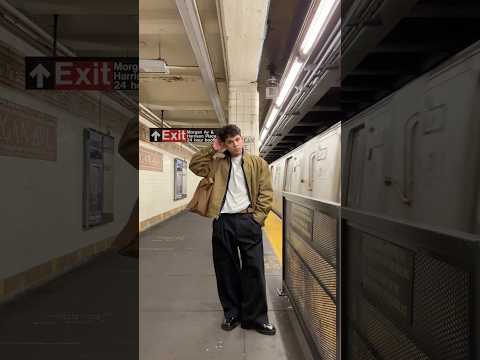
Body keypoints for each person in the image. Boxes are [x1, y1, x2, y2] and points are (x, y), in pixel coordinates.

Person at [189, 124, 276, 336]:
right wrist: (212, 148)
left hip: (248, 221)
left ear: (242, 139)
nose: (235, 144)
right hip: (223, 222)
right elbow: (194, 165)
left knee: (254, 270)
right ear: (224, 144)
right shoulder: (216, 164)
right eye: (230, 142)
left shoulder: (258, 163)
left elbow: (266, 193)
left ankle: (256, 318)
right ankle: (232, 313)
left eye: (237, 139)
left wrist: (258, 219)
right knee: (225, 270)